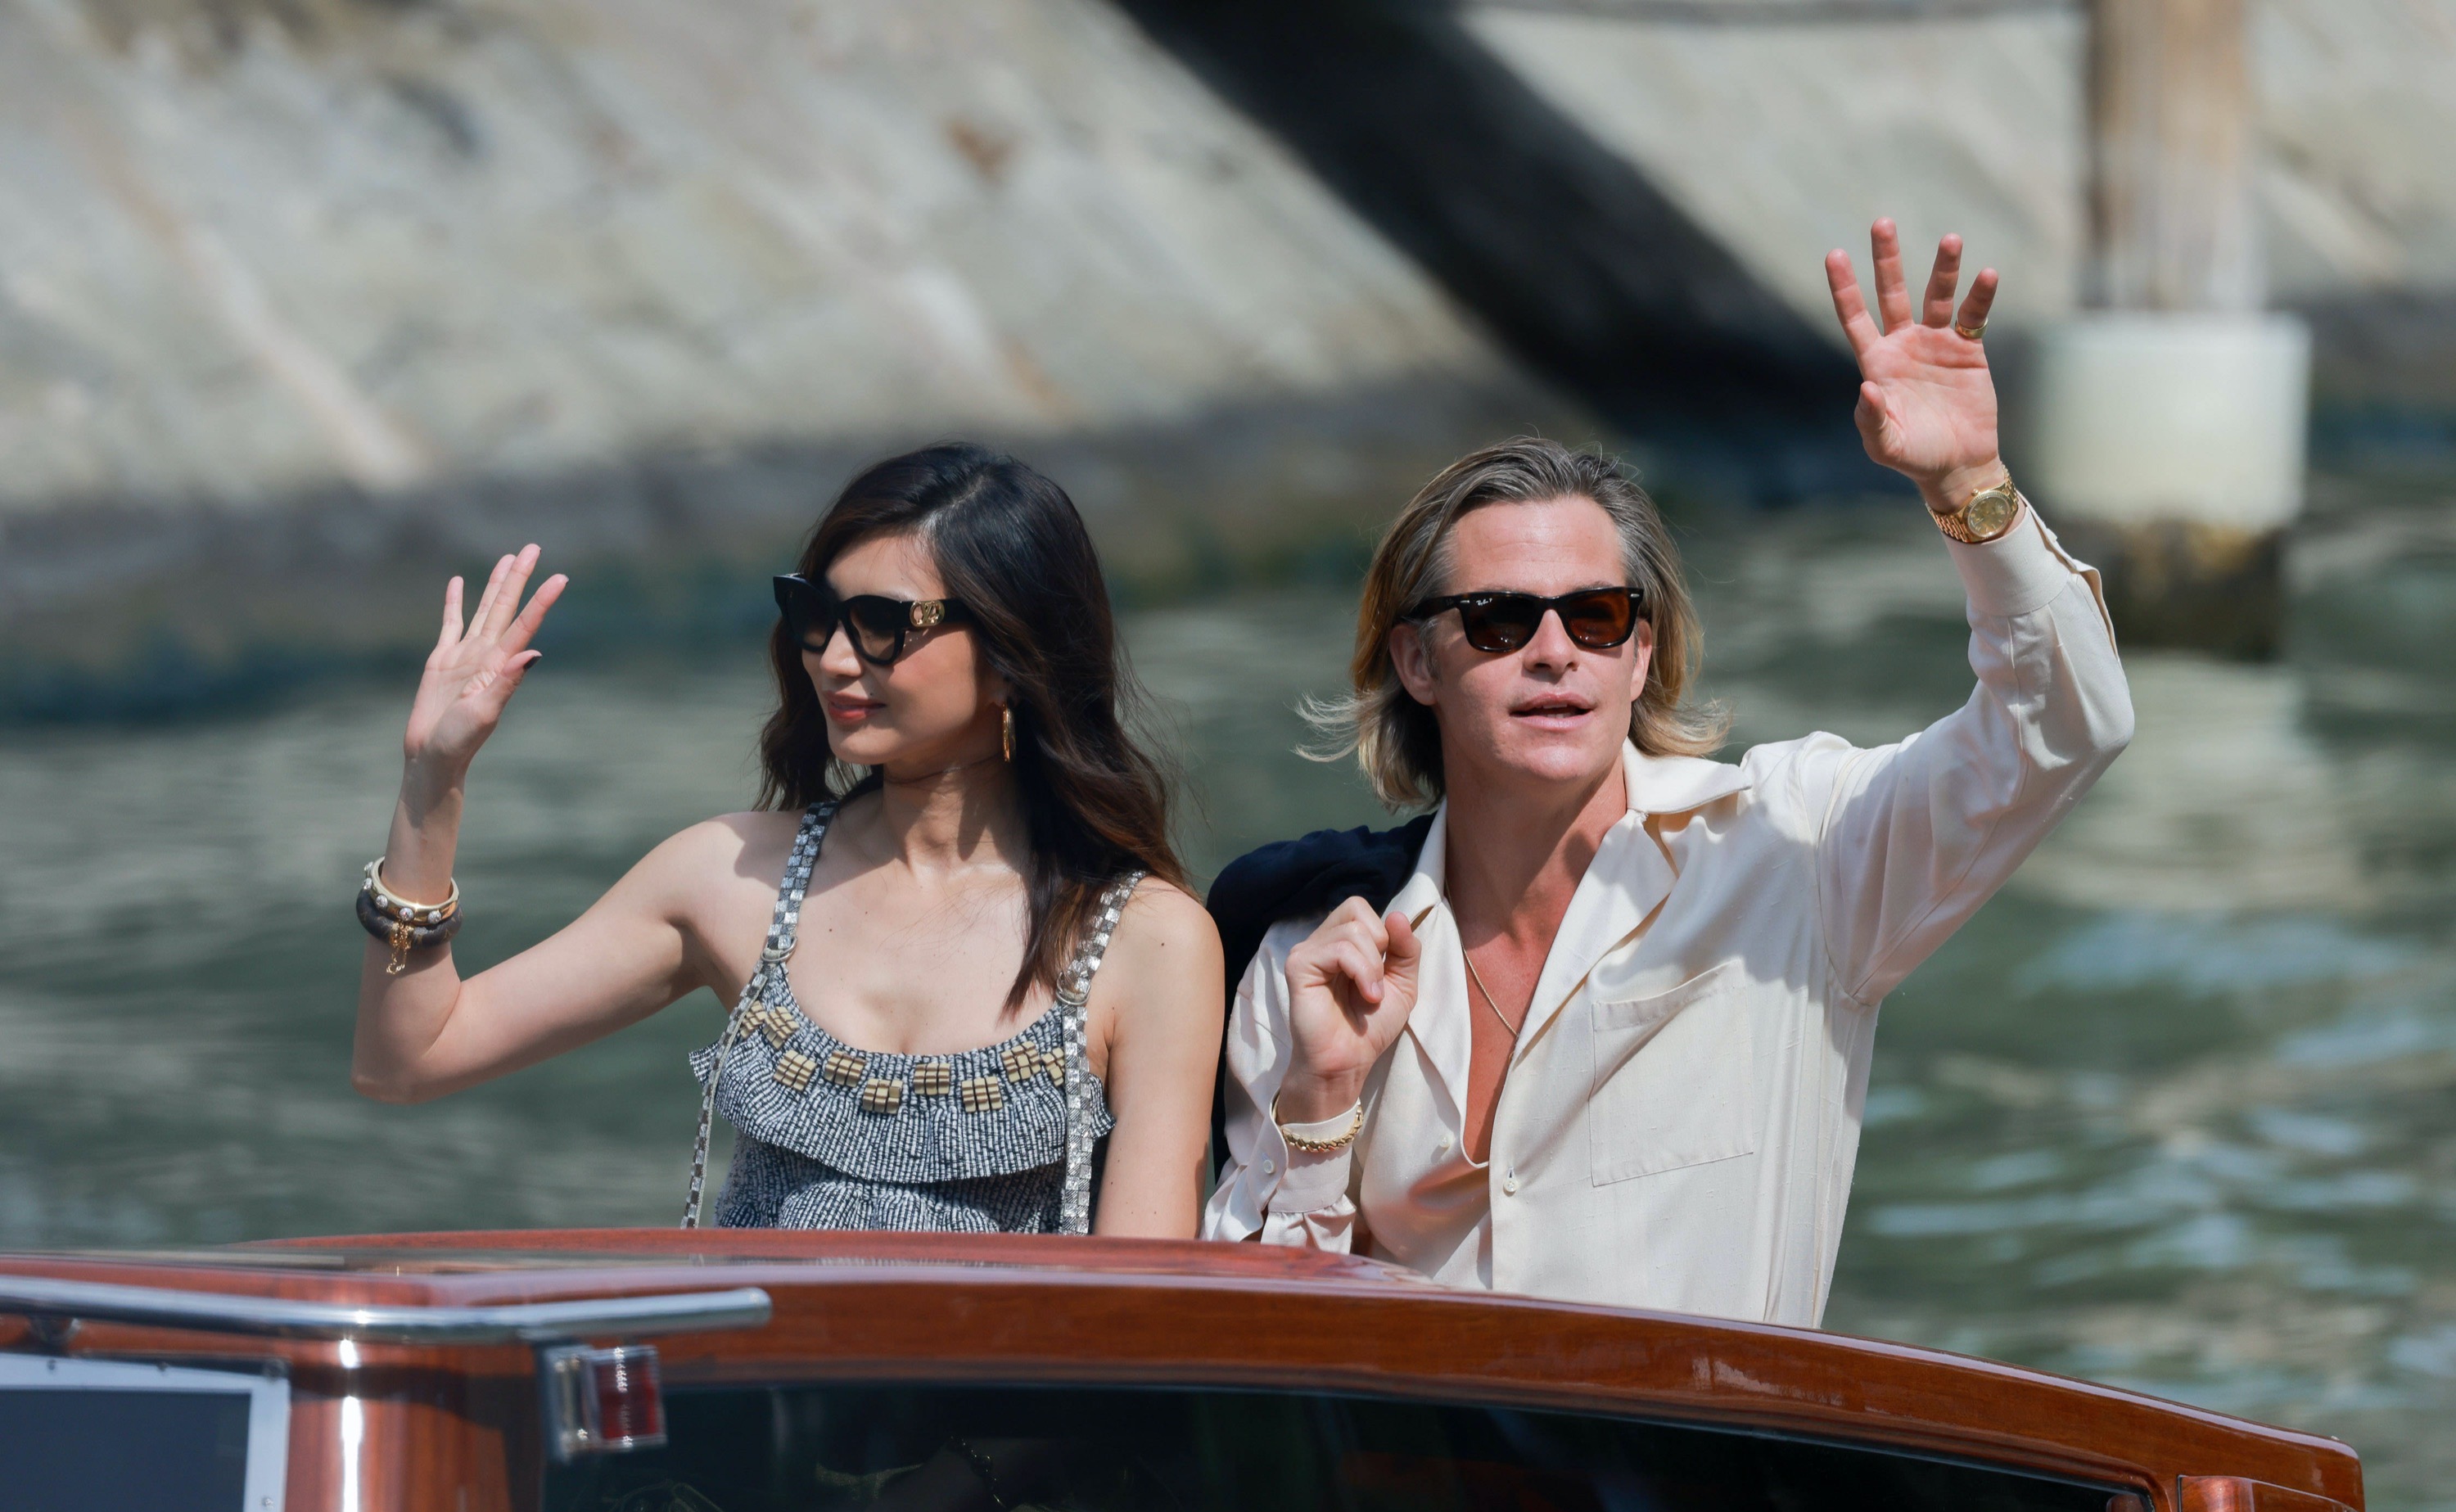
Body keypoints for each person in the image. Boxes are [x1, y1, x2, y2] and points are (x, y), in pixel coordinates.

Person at [1203, 223, 2134, 1322]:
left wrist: (1970, 485)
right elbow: (1250, 1343)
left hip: (1703, 1442)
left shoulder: (1798, 851)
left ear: (1640, 654)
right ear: (1416, 661)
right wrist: (1321, 1102)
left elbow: (2064, 723)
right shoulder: (1311, 960)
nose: (1556, 651)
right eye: (1499, 619)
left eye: (1596, 616)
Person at [350, 444, 1223, 1236]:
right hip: (751, 1368)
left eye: (880, 623)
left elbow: (1142, 1305)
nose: (834, 658)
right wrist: (433, 779)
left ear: (1011, 656)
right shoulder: (727, 876)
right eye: (815, 613)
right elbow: (408, 1059)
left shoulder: (1147, 941)